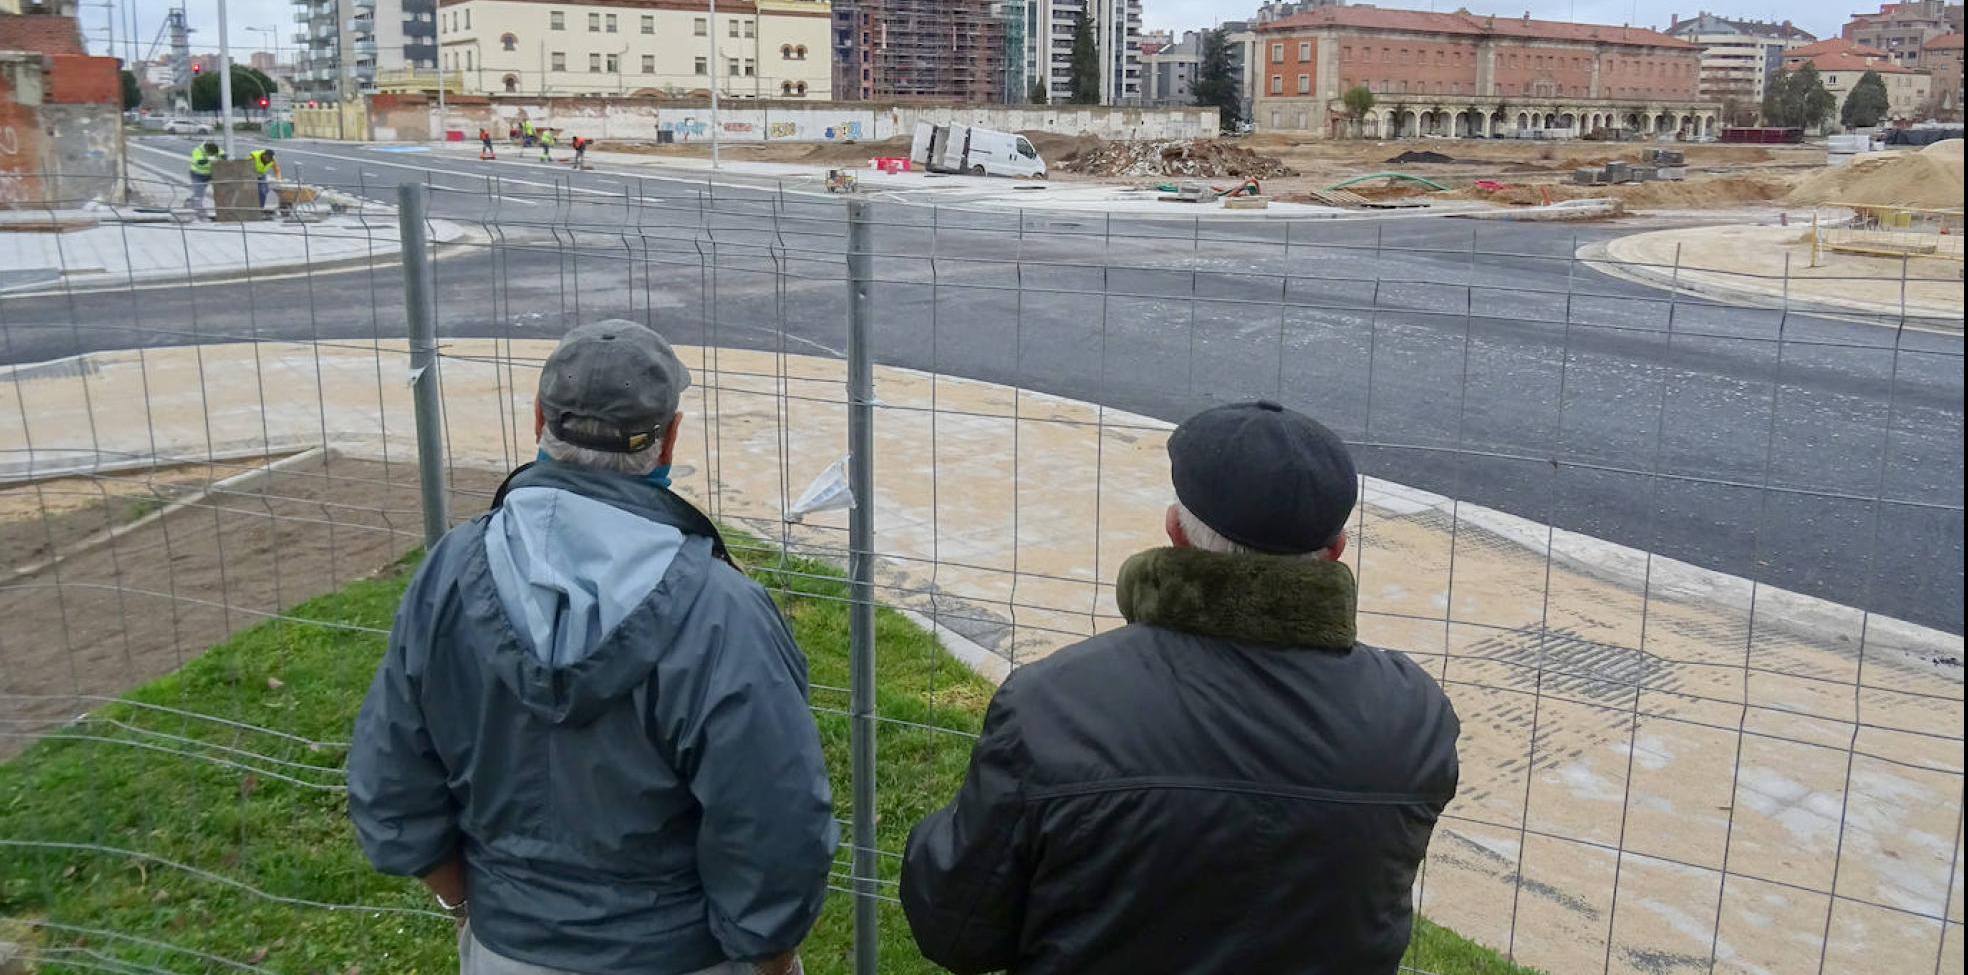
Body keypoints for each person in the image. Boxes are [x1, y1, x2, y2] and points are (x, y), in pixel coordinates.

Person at [900, 400, 1461, 975]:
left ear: (1175, 533)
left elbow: (956, 929)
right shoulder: (1415, 714)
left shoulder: (1052, 704)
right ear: (1336, 549)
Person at [348, 320, 836, 975]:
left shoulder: (449, 571)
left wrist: (470, 908)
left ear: (538, 420)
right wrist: (771, 958)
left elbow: (392, 775)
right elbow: (775, 824)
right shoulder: (721, 611)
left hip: (503, 949)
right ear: (669, 439)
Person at [187, 140, 217, 216]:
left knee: (199, 193)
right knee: (199, 195)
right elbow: (199, 161)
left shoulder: (215, 148)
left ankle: (189, 203)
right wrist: (208, 159)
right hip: (197, 175)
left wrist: (224, 156)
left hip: (208, 175)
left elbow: (222, 154)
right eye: (210, 153)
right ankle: (201, 215)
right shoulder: (197, 151)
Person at [247, 147, 279, 211]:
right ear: (264, 155)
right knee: (255, 191)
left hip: (261, 174)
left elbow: (277, 169)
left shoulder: (272, 160)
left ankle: (260, 208)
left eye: (270, 158)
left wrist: (278, 179)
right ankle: (255, 208)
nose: (268, 160)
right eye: (267, 158)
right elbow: (245, 166)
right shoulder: (254, 156)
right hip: (250, 174)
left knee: (265, 190)